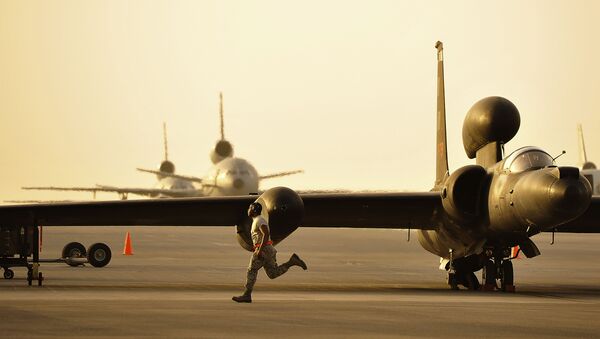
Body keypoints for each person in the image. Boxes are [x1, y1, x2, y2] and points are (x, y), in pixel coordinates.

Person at [232, 202, 307, 303]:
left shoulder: (259, 220)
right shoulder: (257, 220)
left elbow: (265, 234)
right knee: (272, 273)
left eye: (250, 208)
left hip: (264, 249)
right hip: (268, 249)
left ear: (253, 210)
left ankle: (246, 295)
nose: (248, 210)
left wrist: (260, 249)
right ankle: (292, 262)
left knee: (252, 270)